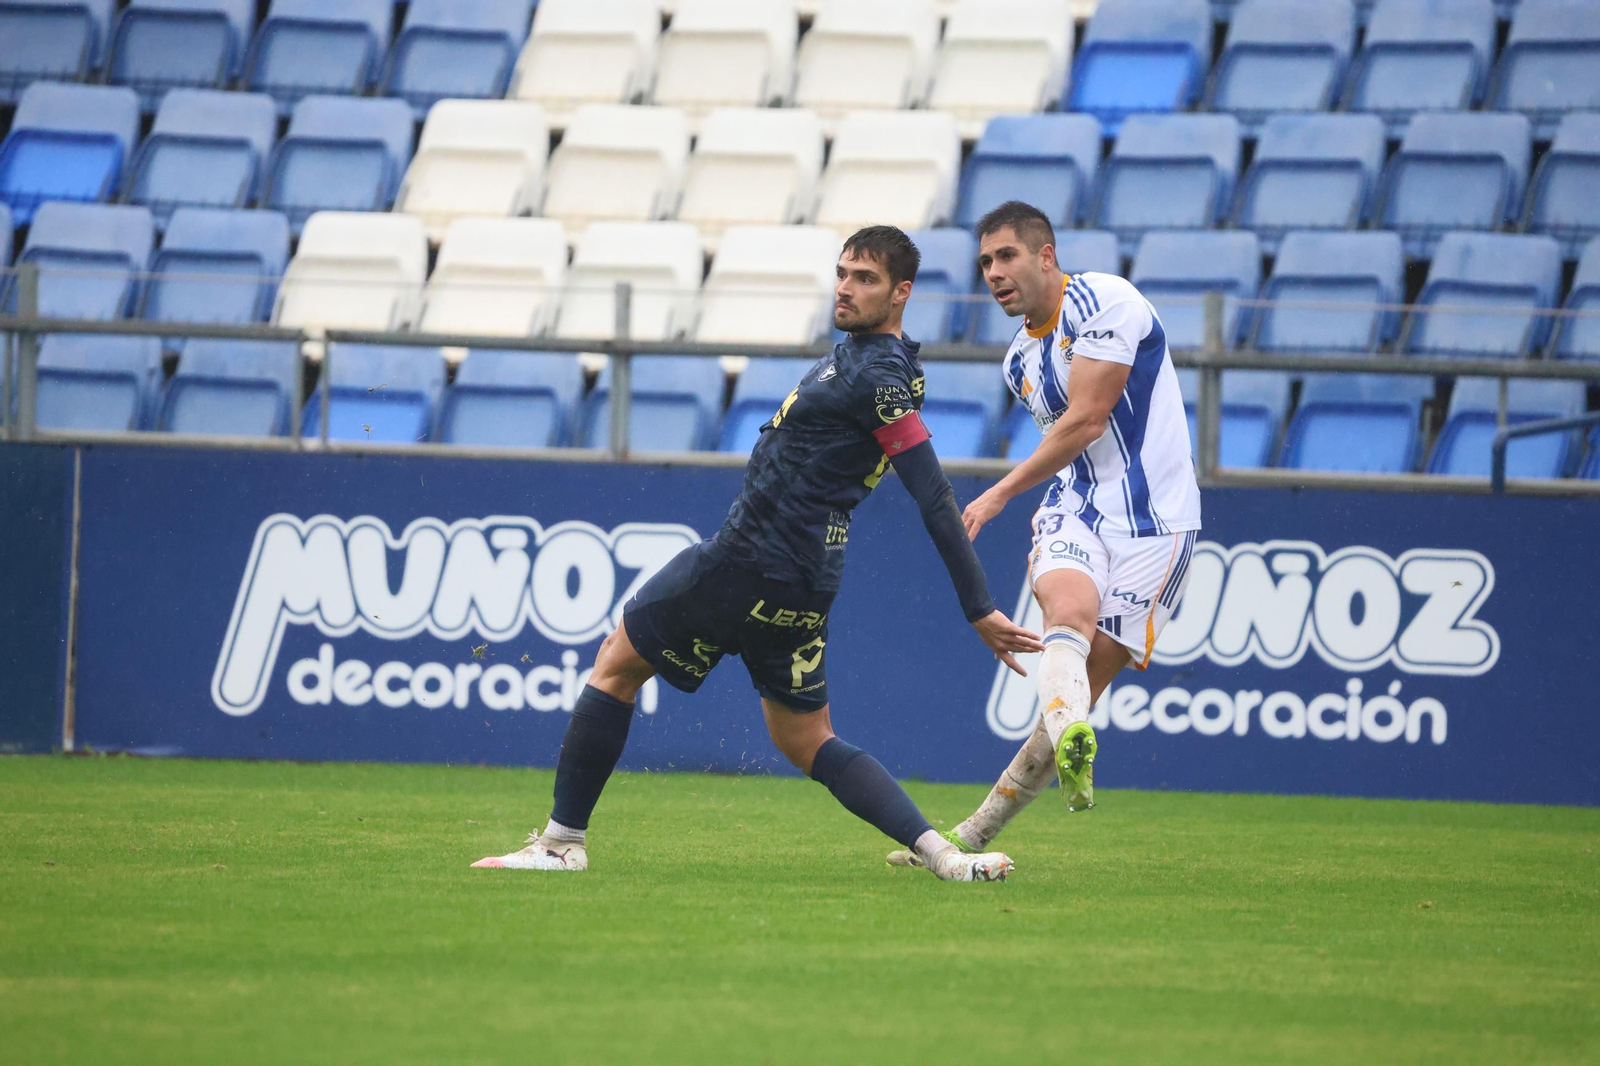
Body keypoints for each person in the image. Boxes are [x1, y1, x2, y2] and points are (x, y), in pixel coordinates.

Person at [473, 225, 1042, 882]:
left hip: (746, 561)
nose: (847, 288)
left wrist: (978, 607)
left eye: (867, 279)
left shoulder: (878, 376)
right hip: (805, 582)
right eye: (844, 273)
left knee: (615, 666)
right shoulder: (876, 366)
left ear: (902, 292)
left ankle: (559, 844)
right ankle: (944, 858)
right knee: (806, 739)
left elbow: (935, 494)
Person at [889, 201, 1202, 867]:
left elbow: (1088, 420)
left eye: (1006, 257)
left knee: (1069, 694)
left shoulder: (1106, 300)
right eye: (984, 263)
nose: (994, 273)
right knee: (1065, 610)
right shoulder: (1019, 360)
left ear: (1046, 256)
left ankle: (977, 828)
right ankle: (1070, 733)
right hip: (1079, 507)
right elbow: (1070, 447)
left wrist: (1000, 492)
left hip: (1159, 525)